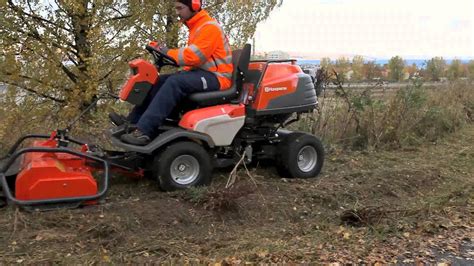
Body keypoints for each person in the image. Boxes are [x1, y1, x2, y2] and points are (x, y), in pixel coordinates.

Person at [121, 0, 233, 146]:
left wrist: (166, 51)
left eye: (180, 8)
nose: (177, 12)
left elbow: (193, 56)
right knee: (159, 80)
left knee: (175, 82)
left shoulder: (209, 27)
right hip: (202, 74)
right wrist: (164, 52)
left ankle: (144, 131)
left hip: (218, 78)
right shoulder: (197, 27)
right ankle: (132, 122)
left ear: (194, 6)